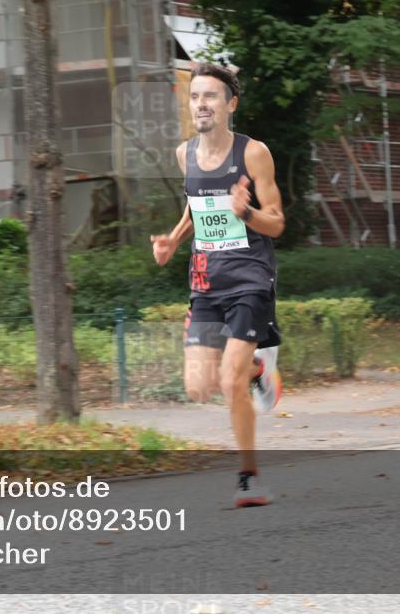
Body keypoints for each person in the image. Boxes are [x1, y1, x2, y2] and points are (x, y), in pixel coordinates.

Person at [150, 63, 284, 507]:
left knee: (229, 383)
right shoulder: (183, 154)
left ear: (230, 104)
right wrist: (173, 239)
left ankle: (249, 478)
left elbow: (278, 223)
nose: (202, 104)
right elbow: (196, 207)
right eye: (195, 97)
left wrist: (246, 212)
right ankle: (259, 370)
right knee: (197, 386)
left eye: (211, 96)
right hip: (205, 280)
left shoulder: (253, 154)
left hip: (249, 277)